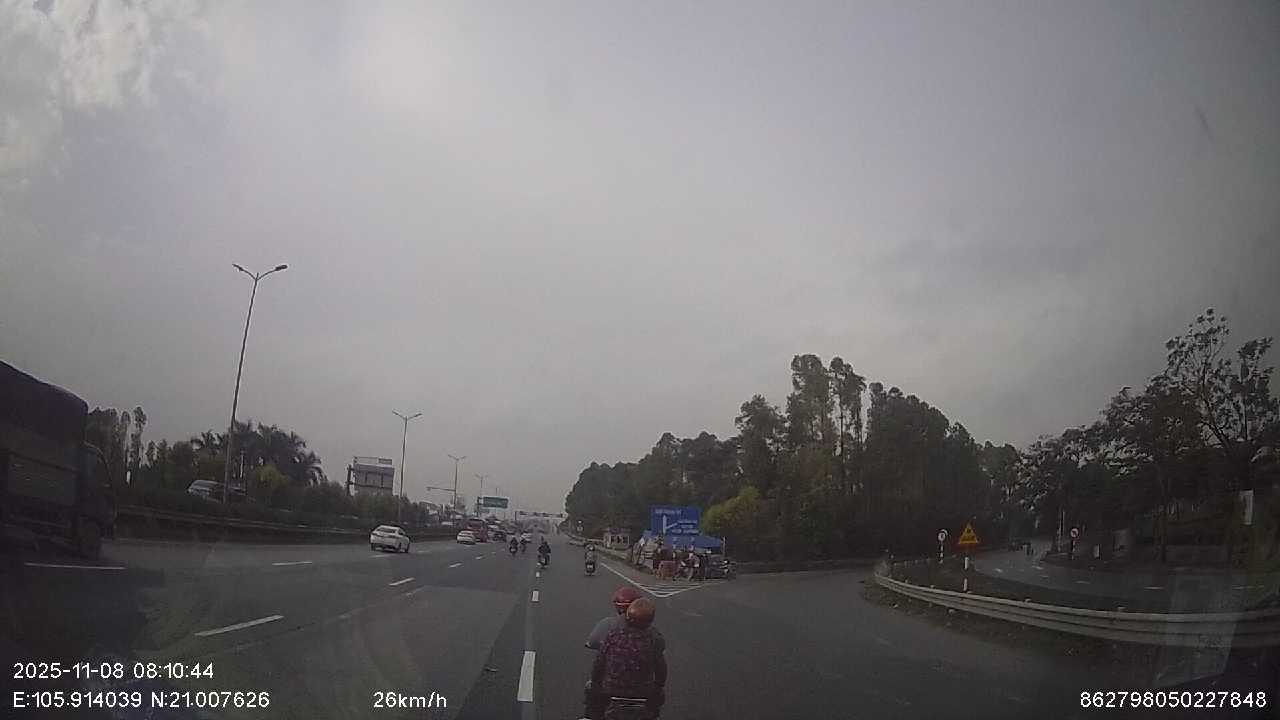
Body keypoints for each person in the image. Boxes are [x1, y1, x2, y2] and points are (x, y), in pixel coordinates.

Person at [585, 597, 666, 720]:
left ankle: (591, 717)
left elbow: (599, 662)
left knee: (590, 690)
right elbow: (661, 667)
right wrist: (659, 685)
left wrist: (595, 682)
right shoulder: (654, 639)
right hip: (643, 691)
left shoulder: (613, 635)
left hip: (611, 689)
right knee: (658, 698)